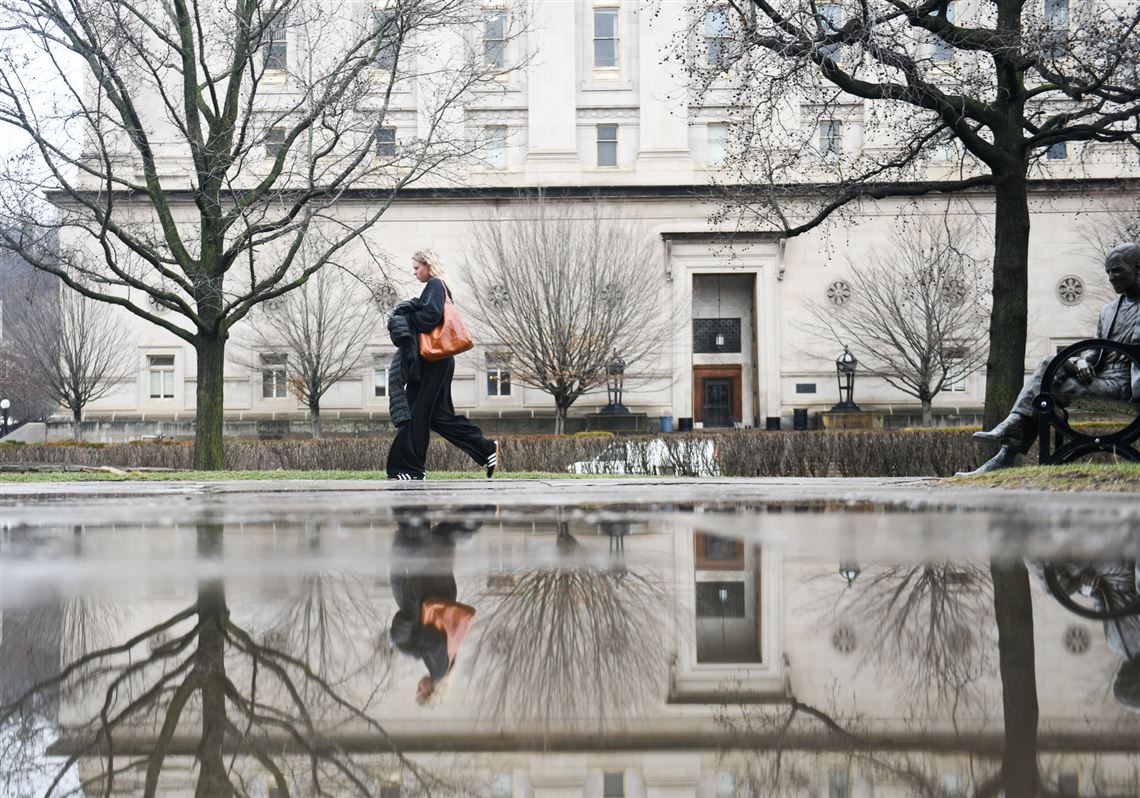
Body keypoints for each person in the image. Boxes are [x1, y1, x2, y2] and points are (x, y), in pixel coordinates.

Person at [964, 242, 1140, 474]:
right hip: (1100, 378)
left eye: (1117, 270)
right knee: (1047, 370)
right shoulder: (1108, 310)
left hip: (1126, 385)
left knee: (1045, 391)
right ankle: (1012, 432)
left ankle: (1008, 447)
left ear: (1138, 267)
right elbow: (1093, 353)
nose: (1110, 277)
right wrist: (1084, 362)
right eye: (1108, 271)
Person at [385, 249, 499, 480]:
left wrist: (408, 315)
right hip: (438, 361)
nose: (414, 271)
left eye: (417, 267)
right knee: (439, 417)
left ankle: (408, 469)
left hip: (432, 362)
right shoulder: (437, 287)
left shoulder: (435, 285)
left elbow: (430, 317)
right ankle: (486, 448)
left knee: (415, 412)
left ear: (428, 264)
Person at [389, 510, 482, 705]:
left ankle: (477, 512)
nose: (418, 687)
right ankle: (480, 512)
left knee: (435, 539)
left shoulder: (439, 667)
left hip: (437, 592)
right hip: (435, 592)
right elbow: (434, 641)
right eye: (420, 691)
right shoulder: (439, 670)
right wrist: (414, 648)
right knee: (433, 540)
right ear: (431, 690)